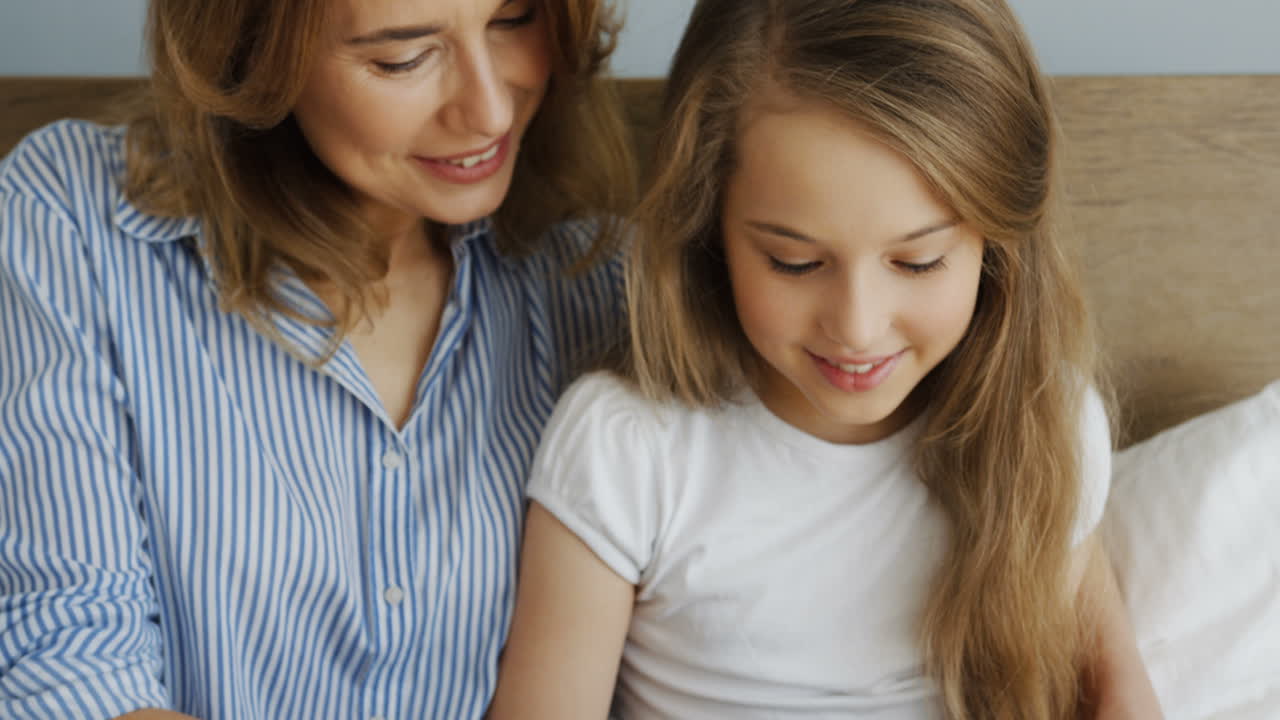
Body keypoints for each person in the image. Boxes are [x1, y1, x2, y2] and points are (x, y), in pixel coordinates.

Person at [488, 0, 1164, 718]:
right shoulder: (627, 448)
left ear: (998, 248)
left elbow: (1113, 686)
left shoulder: (1041, 423)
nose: (857, 327)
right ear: (707, 226)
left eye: (919, 261)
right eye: (795, 262)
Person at [0, 0, 634, 718]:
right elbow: (68, 661)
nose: (490, 111)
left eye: (514, 19)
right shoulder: (73, 220)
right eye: (402, 57)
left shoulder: (609, 285)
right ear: (251, 53)